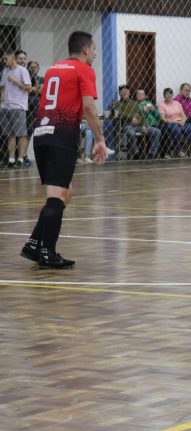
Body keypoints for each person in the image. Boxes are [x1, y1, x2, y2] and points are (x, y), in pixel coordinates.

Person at [20, 31, 108, 268]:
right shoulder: (84, 69)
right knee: (57, 196)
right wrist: (100, 139)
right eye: (94, 49)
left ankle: (34, 244)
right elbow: (89, 107)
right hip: (61, 136)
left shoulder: (54, 68)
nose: (95, 54)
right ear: (86, 49)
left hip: (41, 135)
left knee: (65, 193)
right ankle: (48, 252)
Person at [0, 47, 32, 169]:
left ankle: (21, 158)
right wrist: (1, 104)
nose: (4, 61)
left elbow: (29, 88)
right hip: (5, 106)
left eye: (6, 58)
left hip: (18, 106)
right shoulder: (5, 71)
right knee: (10, 134)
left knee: (21, 133)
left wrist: (15, 81)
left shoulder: (22, 71)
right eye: (3, 59)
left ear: (12, 57)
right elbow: (2, 88)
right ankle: (11, 159)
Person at [158, 87, 191, 157]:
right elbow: (163, 119)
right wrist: (176, 122)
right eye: (167, 94)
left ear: (172, 95)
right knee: (177, 130)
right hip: (170, 123)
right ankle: (179, 151)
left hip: (180, 122)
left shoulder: (177, 103)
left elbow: (183, 115)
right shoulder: (161, 105)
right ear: (164, 96)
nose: (169, 95)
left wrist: (183, 121)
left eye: (170, 93)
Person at [22, 59, 43, 167]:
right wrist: (35, 88)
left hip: (39, 109)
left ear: (38, 68)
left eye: (35, 67)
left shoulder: (42, 79)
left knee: (41, 134)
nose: (33, 69)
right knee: (28, 133)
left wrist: (32, 88)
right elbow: (28, 90)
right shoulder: (25, 78)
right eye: (31, 67)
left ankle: (42, 156)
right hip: (28, 109)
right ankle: (24, 156)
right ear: (28, 68)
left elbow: (41, 90)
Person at [135, 88, 161, 159]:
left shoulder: (148, 103)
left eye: (142, 94)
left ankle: (161, 154)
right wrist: (144, 111)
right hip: (145, 125)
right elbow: (138, 117)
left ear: (144, 96)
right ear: (136, 95)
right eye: (138, 94)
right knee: (156, 132)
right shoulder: (135, 105)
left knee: (164, 130)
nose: (140, 95)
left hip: (155, 124)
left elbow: (157, 116)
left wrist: (153, 109)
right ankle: (152, 154)